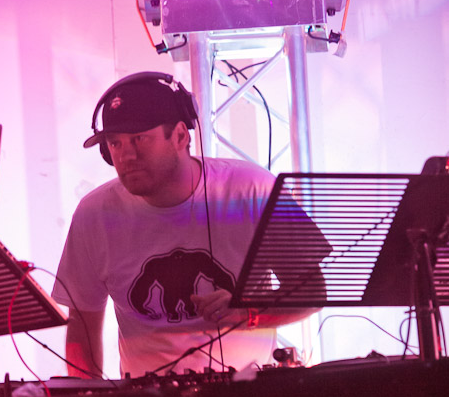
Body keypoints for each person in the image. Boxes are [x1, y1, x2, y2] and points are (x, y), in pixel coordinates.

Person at [52, 72, 325, 379]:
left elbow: (312, 292)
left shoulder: (255, 190)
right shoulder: (94, 215)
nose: (126, 155)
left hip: (249, 392)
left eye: (139, 139)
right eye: (115, 143)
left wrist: (248, 311)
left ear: (181, 136)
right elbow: (82, 327)